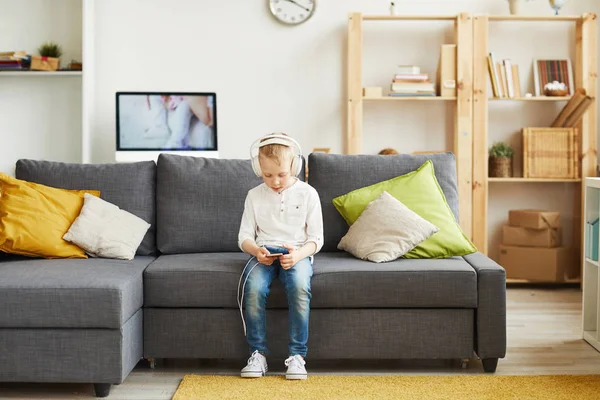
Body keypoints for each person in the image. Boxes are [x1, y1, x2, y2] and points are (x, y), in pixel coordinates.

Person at [237, 133, 323, 380]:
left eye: (281, 174)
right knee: (252, 288)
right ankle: (257, 354)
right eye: (267, 175)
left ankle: (297, 356)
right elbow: (244, 237)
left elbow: (317, 239)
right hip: (263, 251)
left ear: (294, 166)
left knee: (298, 287)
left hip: (297, 252)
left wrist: (298, 255)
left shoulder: (308, 194)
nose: (274, 181)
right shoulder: (254, 195)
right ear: (258, 169)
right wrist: (256, 251)